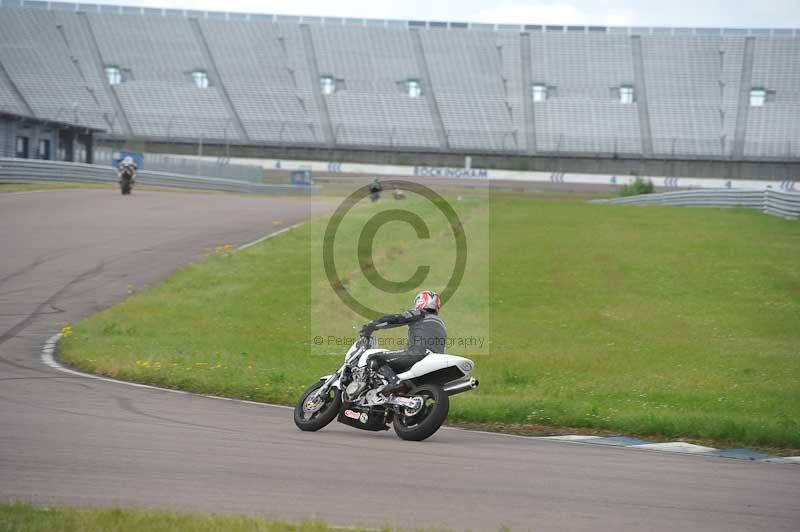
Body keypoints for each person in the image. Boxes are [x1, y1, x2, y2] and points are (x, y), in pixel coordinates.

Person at [360, 290, 447, 396]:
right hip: (434, 359)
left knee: (374, 359)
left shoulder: (420, 314)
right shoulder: (441, 324)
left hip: (416, 355)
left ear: (420, 302)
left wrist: (372, 325)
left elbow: (396, 319)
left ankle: (394, 382)